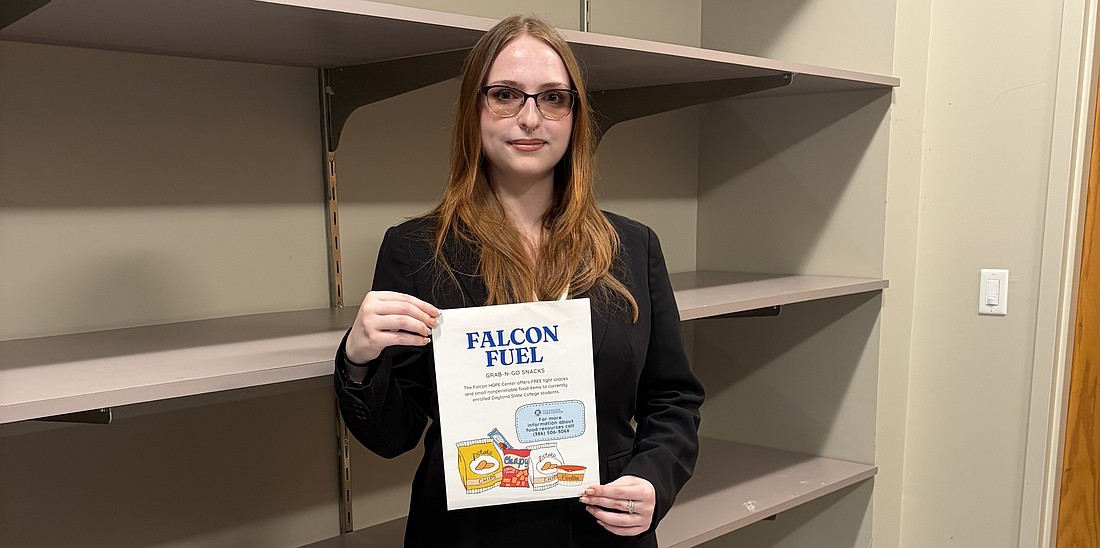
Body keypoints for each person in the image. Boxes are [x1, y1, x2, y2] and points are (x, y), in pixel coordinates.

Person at [334, 13, 704, 548]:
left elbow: (672, 398)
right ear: (473, 111)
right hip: (468, 535)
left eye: (553, 98)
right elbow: (392, 436)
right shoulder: (416, 250)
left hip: (598, 532)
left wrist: (653, 479)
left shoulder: (632, 247)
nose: (530, 118)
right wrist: (360, 358)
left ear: (574, 116)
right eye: (506, 94)